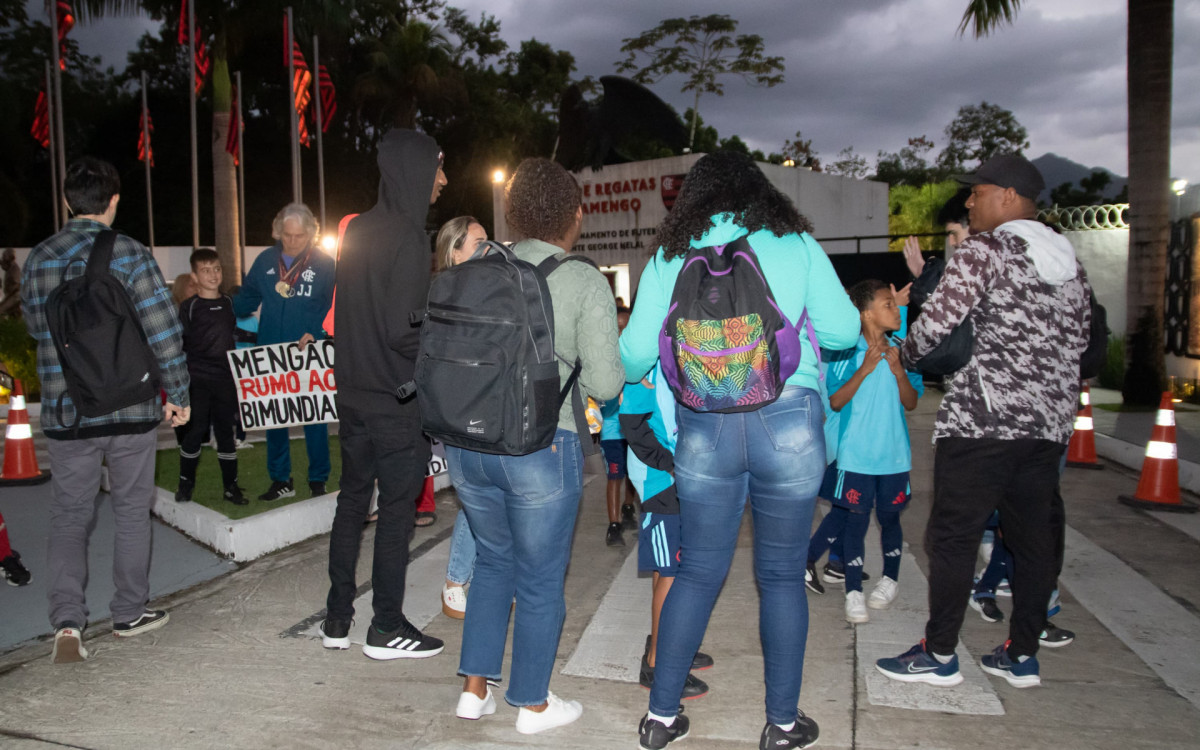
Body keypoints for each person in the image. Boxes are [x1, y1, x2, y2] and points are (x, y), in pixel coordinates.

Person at [620, 151, 860, 750]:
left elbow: (632, 356)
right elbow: (844, 333)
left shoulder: (670, 256)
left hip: (707, 431)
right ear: (760, 192)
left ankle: (661, 719)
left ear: (695, 197)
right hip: (791, 426)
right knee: (780, 577)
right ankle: (782, 725)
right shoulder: (794, 242)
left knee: (697, 571)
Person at [875, 154, 1091, 690]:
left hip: (981, 423)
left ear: (1010, 197)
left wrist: (915, 353)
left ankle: (940, 653)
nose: (969, 201)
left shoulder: (985, 251)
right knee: (1032, 539)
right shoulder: (1068, 261)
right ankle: (1021, 654)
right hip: (1046, 428)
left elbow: (933, 328)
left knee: (952, 537)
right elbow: (1084, 342)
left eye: (978, 191)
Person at [448, 158, 623, 735]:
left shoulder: (479, 264)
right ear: (575, 214)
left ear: (514, 214)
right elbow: (605, 384)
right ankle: (533, 704)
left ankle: (474, 692)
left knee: (494, 562)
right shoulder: (582, 278)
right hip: (542, 449)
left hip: (470, 446)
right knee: (541, 578)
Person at [23, 156, 190, 663]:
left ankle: (68, 622)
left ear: (68, 200)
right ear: (114, 201)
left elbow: (36, 328)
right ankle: (128, 613)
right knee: (131, 512)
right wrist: (178, 394)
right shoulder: (131, 254)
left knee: (70, 516)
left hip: (68, 412)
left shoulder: (41, 256)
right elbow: (163, 331)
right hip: (130, 407)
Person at [319, 129, 448, 660]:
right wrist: (444, 336)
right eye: (439, 167)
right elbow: (402, 328)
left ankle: (336, 620)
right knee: (396, 512)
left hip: (352, 397)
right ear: (416, 171)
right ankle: (386, 627)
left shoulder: (358, 230)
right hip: (396, 402)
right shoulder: (408, 235)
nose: (443, 180)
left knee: (352, 504)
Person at [804, 280, 922, 624]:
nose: (896, 311)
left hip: (894, 455)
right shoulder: (846, 351)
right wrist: (865, 368)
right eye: (888, 304)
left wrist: (900, 372)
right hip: (855, 456)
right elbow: (837, 400)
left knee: (889, 519)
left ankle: (890, 580)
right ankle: (853, 592)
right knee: (854, 521)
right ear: (866, 314)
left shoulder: (902, 349)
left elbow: (911, 402)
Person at [620, 362, 713, 700]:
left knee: (668, 568)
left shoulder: (673, 358)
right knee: (671, 573)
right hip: (661, 481)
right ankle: (658, 663)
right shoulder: (648, 362)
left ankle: (669, 643)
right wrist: (669, 464)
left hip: (672, 476)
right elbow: (630, 420)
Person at [233, 203, 335, 501]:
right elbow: (247, 299)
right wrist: (215, 302)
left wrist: (317, 332)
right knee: (273, 419)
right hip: (270, 352)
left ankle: (318, 479)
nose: (291, 241)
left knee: (315, 419)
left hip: (309, 353)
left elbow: (335, 306)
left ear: (311, 235)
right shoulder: (266, 259)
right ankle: (281, 481)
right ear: (278, 232)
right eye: (286, 235)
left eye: (299, 236)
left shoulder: (325, 264)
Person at [433, 216, 489, 620]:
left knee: (488, 497)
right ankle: (455, 582)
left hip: (485, 406)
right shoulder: (443, 293)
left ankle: (484, 580)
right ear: (454, 251)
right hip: (460, 410)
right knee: (474, 499)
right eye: (479, 242)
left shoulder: (484, 287)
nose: (490, 247)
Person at [174, 248, 249, 506]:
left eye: (216, 268)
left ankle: (231, 487)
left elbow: (233, 332)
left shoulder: (228, 302)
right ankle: (185, 484)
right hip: (197, 381)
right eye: (206, 270)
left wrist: (263, 339)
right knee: (194, 433)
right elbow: (177, 343)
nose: (213, 274)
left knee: (226, 435)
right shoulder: (189, 306)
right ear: (194, 275)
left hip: (225, 380)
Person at [602, 306, 637, 547]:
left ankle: (627, 506)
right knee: (615, 474)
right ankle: (613, 524)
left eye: (626, 328)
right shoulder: (603, 359)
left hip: (634, 426)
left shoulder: (637, 357)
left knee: (632, 474)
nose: (621, 333)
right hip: (612, 429)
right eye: (617, 328)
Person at [0, 247, 22, 317]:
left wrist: (7, 297)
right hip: (12, 294)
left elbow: (17, 286)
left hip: (14, 295)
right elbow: (4, 266)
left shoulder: (14, 269)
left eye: (4, 257)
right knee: (13, 313)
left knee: (1, 309)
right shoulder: (10, 267)